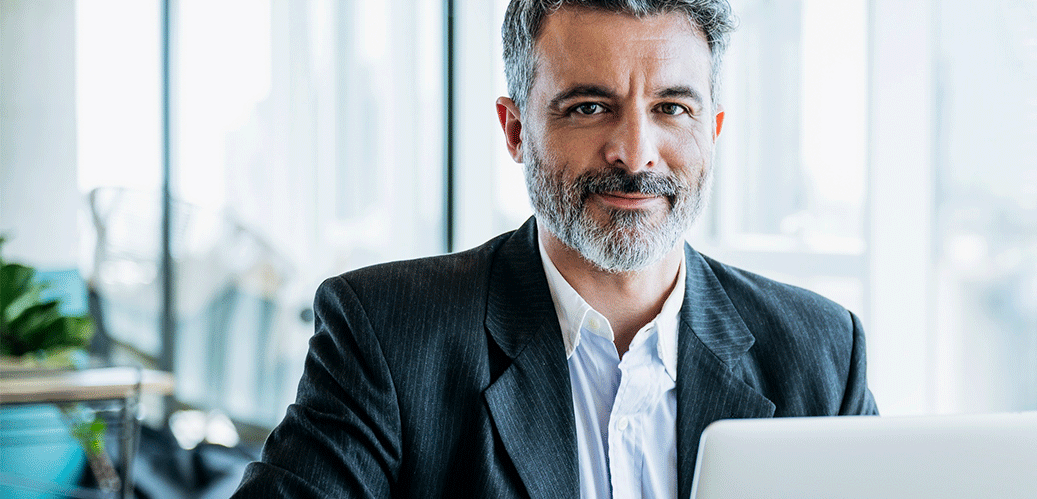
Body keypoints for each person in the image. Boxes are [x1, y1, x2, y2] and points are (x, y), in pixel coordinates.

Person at [232, 1, 877, 498]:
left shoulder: (820, 351)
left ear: (712, 130)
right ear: (515, 129)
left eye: (672, 108)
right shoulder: (388, 333)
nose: (635, 152)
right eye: (590, 107)